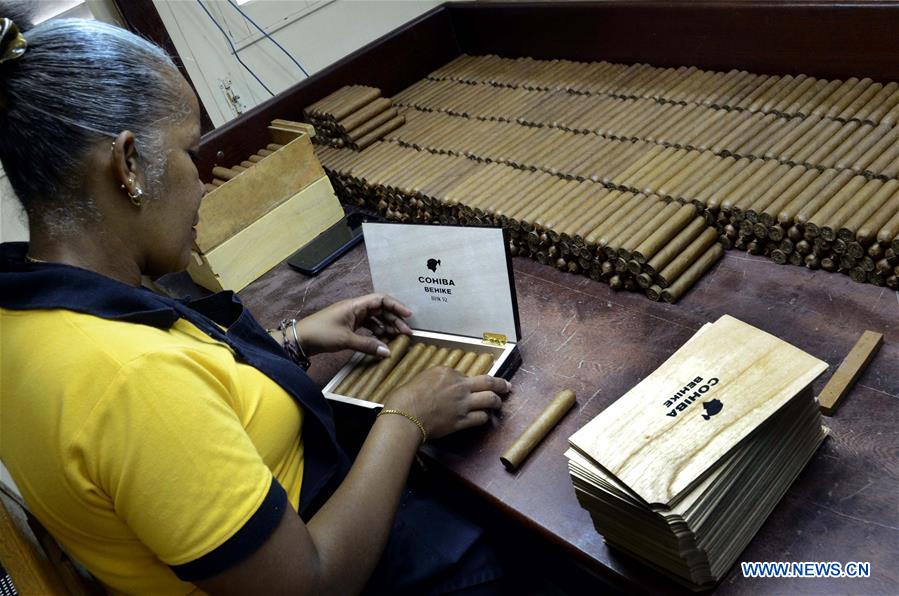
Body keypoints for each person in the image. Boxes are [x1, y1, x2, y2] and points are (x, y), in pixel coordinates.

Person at [0, 10, 510, 595]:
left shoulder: (26, 312)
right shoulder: (130, 383)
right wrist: (406, 419)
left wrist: (291, 341)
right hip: (334, 564)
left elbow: (185, 406)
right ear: (128, 165)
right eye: (190, 153)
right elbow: (310, 583)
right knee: (510, 544)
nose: (204, 178)